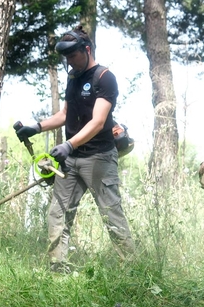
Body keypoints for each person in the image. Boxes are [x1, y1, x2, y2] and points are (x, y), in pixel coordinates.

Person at [16, 26, 134, 273]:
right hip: (71, 160)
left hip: (99, 157)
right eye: (66, 58)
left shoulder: (104, 77)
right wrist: (35, 127)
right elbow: (65, 114)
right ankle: (58, 266)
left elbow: (98, 121)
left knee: (111, 214)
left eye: (73, 56)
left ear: (87, 50)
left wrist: (69, 144)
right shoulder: (73, 78)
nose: (69, 62)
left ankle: (131, 268)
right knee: (58, 213)